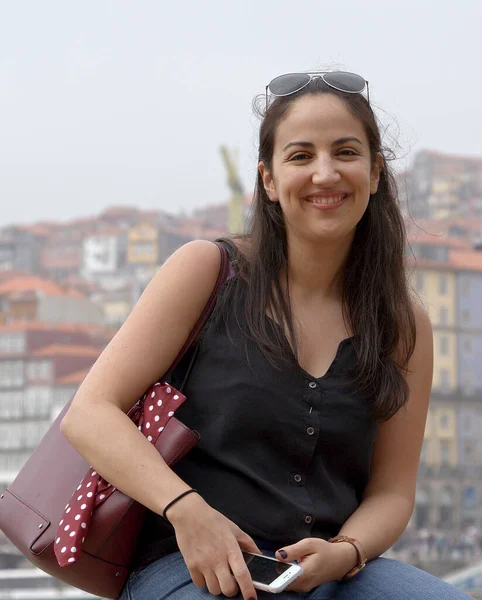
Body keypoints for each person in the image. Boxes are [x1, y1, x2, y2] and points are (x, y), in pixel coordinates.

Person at [60, 71, 467, 599]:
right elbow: (90, 413)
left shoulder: (403, 324)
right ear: (269, 180)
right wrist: (188, 512)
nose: (325, 174)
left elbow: (392, 491)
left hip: (330, 574)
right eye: (301, 156)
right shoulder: (207, 271)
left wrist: (345, 552)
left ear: (374, 173)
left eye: (345, 152)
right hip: (191, 563)